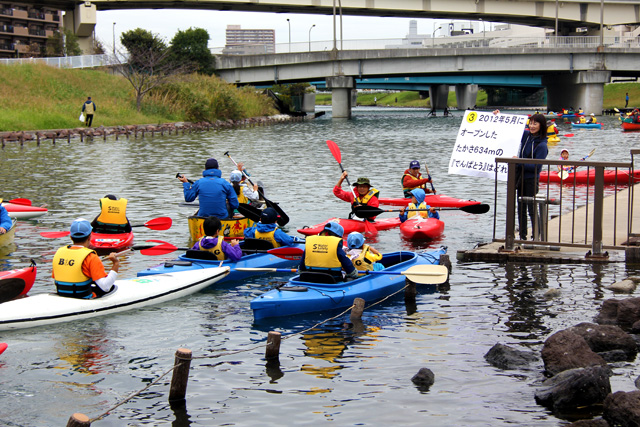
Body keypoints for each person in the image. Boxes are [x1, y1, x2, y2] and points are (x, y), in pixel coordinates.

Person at [52, 218, 120, 299]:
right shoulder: (91, 257)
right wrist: (115, 264)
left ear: (71, 237)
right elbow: (105, 287)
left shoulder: (59, 253)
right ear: (89, 237)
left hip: (62, 296)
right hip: (83, 298)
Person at [515, 113, 549, 240]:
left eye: (535, 123)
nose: (532, 126)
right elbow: (512, 127)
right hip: (520, 178)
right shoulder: (526, 137)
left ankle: (536, 235)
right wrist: (498, 115)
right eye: (531, 123)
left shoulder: (542, 146)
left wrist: (518, 161)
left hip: (531, 179)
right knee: (521, 208)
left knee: (532, 209)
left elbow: (536, 167)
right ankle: (522, 236)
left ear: (541, 125)